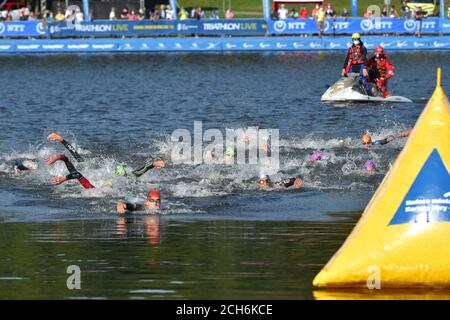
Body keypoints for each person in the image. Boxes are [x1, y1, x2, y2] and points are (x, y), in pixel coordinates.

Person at [47, 132, 164, 177]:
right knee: (80, 160)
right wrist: (153, 164)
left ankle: (61, 139)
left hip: (114, 171)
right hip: (95, 166)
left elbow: (137, 173)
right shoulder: (95, 170)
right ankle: (61, 139)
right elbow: (76, 155)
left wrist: (153, 164)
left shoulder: (123, 176)